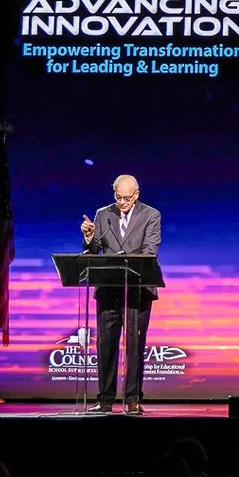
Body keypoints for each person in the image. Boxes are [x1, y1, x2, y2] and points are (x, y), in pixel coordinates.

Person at [80, 174, 162, 415]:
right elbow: (94, 249)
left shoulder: (151, 215)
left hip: (138, 289)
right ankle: (104, 400)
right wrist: (88, 238)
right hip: (108, 289)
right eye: (118, 197)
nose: (123, 202)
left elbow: (150, 250)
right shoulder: (103, 214)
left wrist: (124, 260)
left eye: (127, 198)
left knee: (135, 346)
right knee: (106, 346)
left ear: (137, 195)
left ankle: (133, 399)